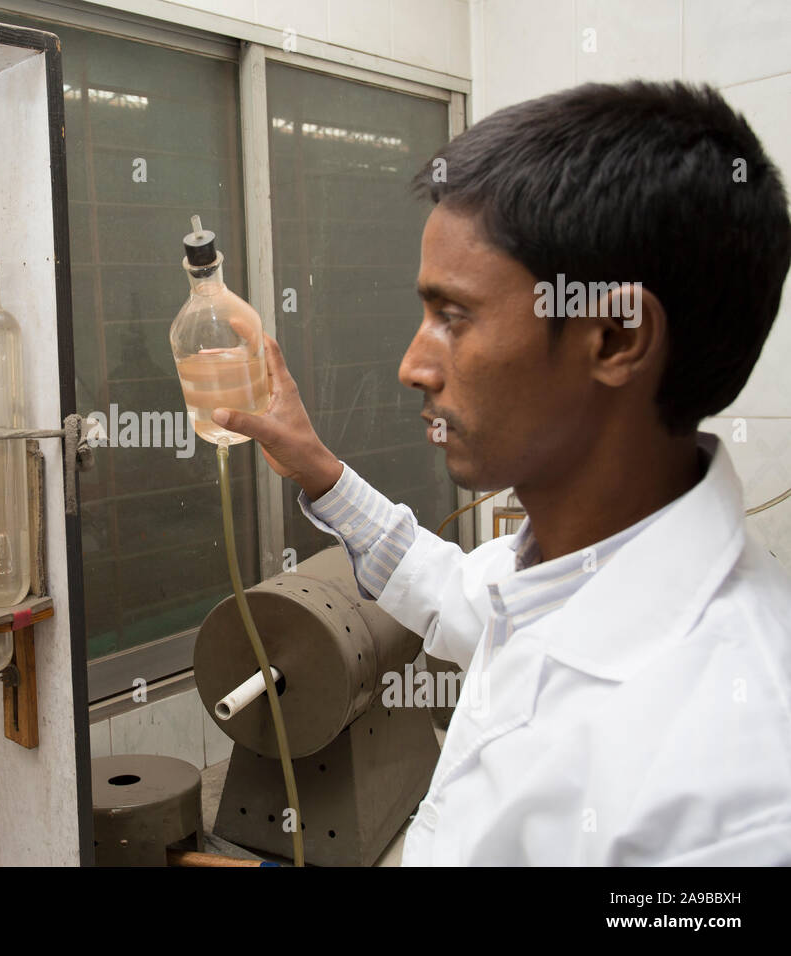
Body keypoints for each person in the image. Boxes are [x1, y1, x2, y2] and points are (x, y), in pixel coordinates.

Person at [212, 80, 791, 865]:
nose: (413, 365)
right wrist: (319, 472)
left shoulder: (737, 790)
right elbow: (452, 590)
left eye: (453, 316)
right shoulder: (565, 565)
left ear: (616, 337)